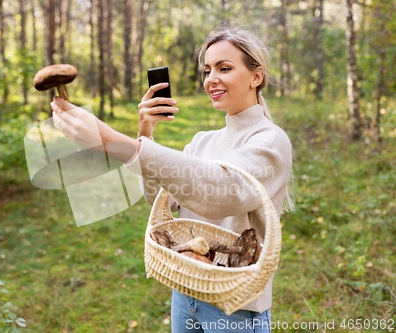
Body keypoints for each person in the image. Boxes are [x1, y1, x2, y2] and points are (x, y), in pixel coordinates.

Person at [51, 23, 295, 333]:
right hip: (186, 289)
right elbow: (161, 197)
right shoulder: (202, 140)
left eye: (224, 68)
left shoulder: (270, 141)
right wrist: (144, 134)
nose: (211, 79)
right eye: (207, 70)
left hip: (234, 306)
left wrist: (115, 142)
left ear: (256, 76)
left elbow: (219, 192)